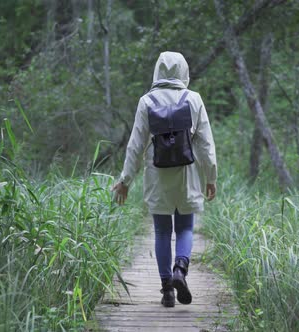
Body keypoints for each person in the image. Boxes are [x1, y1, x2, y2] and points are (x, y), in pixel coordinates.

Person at [112, 51, 217, 307]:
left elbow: (135, 145)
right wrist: (211, 176)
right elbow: (205, 143)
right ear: (184, 71)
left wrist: (125, 180)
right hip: (187, 173)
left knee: (161, 231)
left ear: (158, 70)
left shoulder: (146, 101)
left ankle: (167, 290)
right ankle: (181, 269)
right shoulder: (194, 99)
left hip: (156, 173)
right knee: (185, 227)